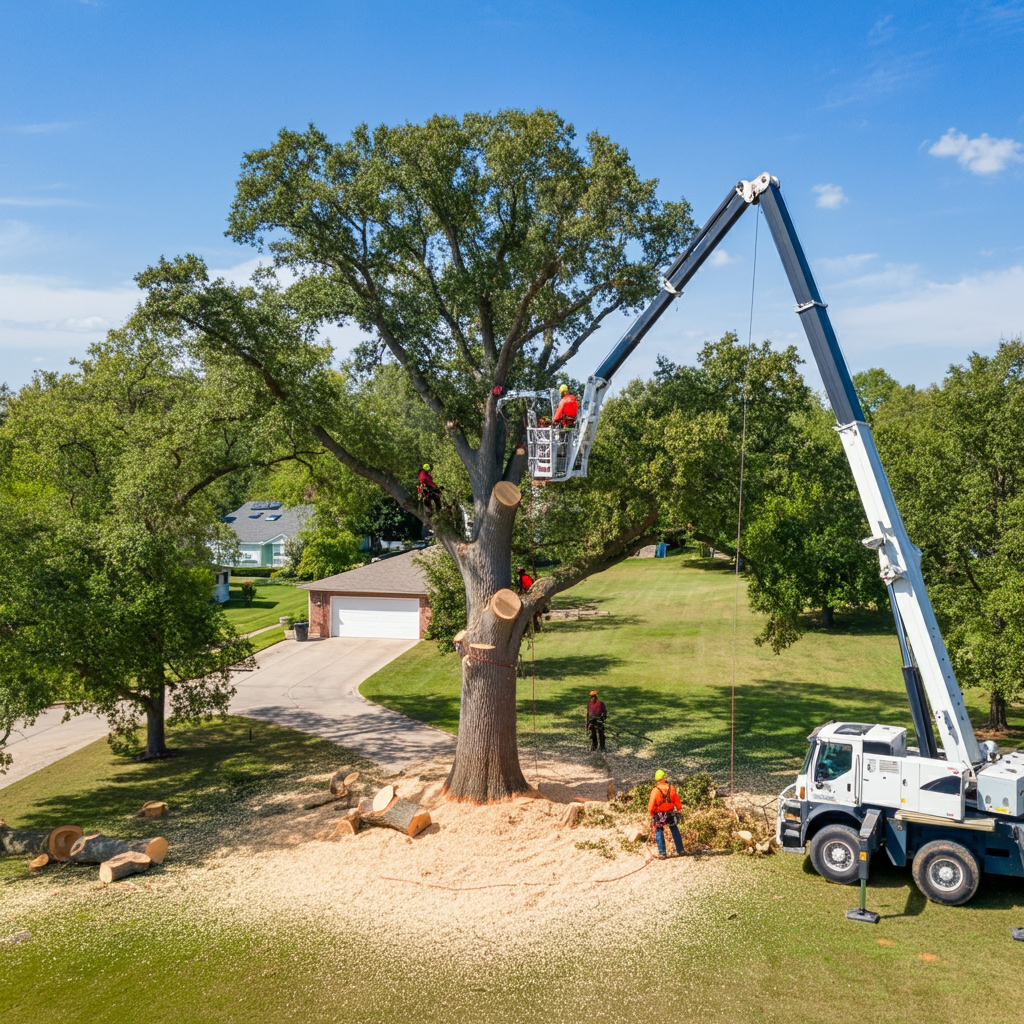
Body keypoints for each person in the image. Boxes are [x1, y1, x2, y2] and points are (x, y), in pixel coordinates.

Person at [648, 769, 684, 859]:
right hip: (670, 813)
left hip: (659, 815)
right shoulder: (671, 788)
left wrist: (651, 813)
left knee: (659, 830)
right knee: (674, 828)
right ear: (664, 778)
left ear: (656, 780)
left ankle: (662, 853)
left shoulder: (655, 790)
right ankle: (680, 850)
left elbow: (651, 805)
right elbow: (677, 802)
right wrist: (678, 809)